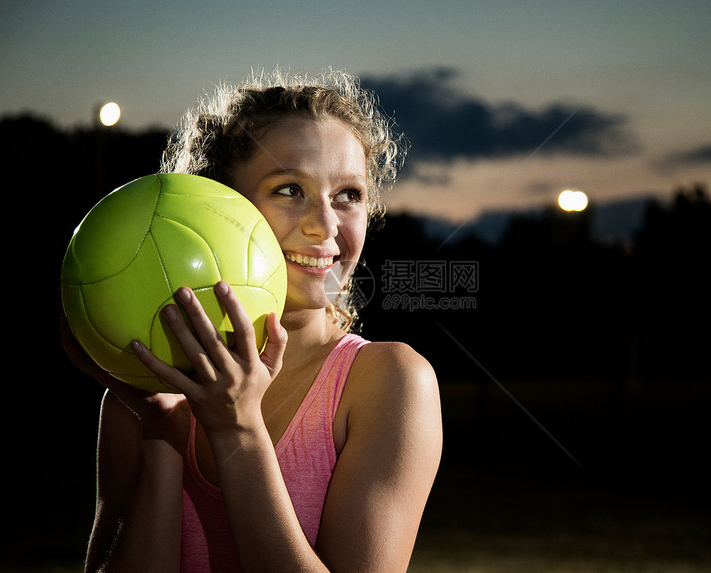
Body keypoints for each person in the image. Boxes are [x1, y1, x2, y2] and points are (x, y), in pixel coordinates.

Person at [63, 68, 443, 572]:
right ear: (218, 207)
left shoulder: (389, 382)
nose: (326, 224)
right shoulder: (145, 389)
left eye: (348, 194)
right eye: (289, 189)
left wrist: (237, 430)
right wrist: (163, 433)